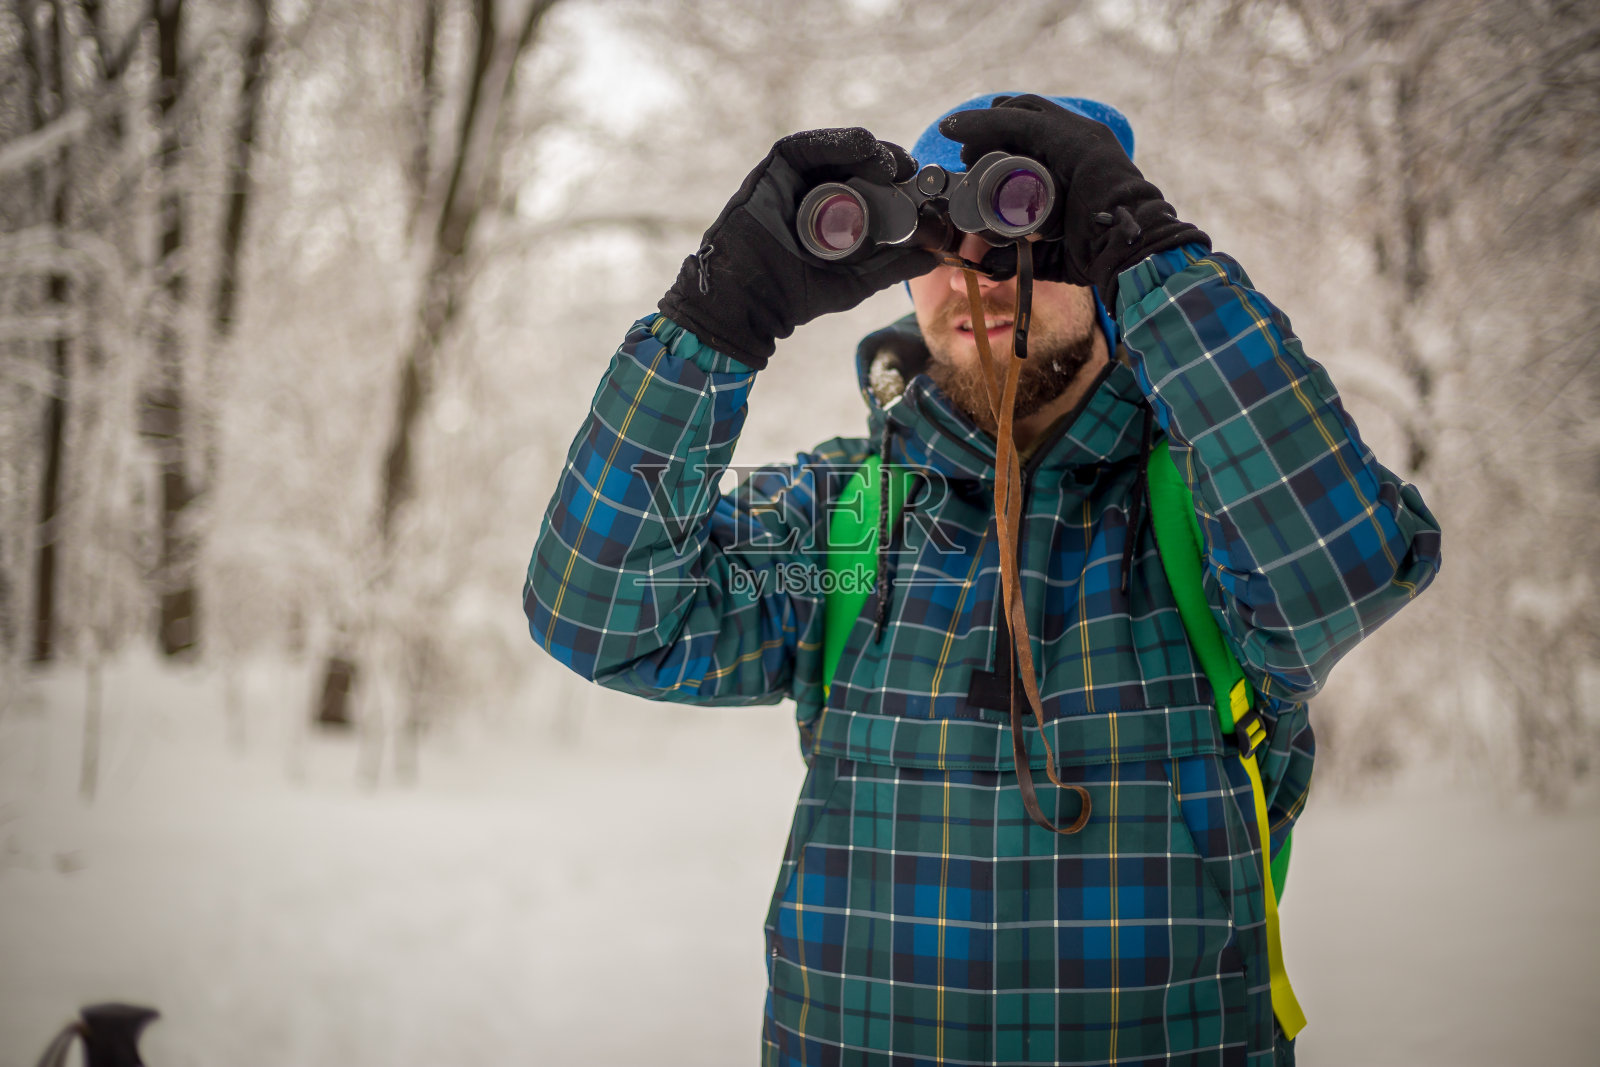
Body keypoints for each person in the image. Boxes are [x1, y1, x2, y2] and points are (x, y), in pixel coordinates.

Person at [524, 92, 1441, 1066]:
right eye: (936, 240)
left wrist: (1161, 264)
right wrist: (714, 323)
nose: (977, 275)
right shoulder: (849, 512)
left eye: (1025, 230)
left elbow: (1347, 568)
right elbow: (601, 613)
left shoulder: (1207, 504)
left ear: (1102, 260)